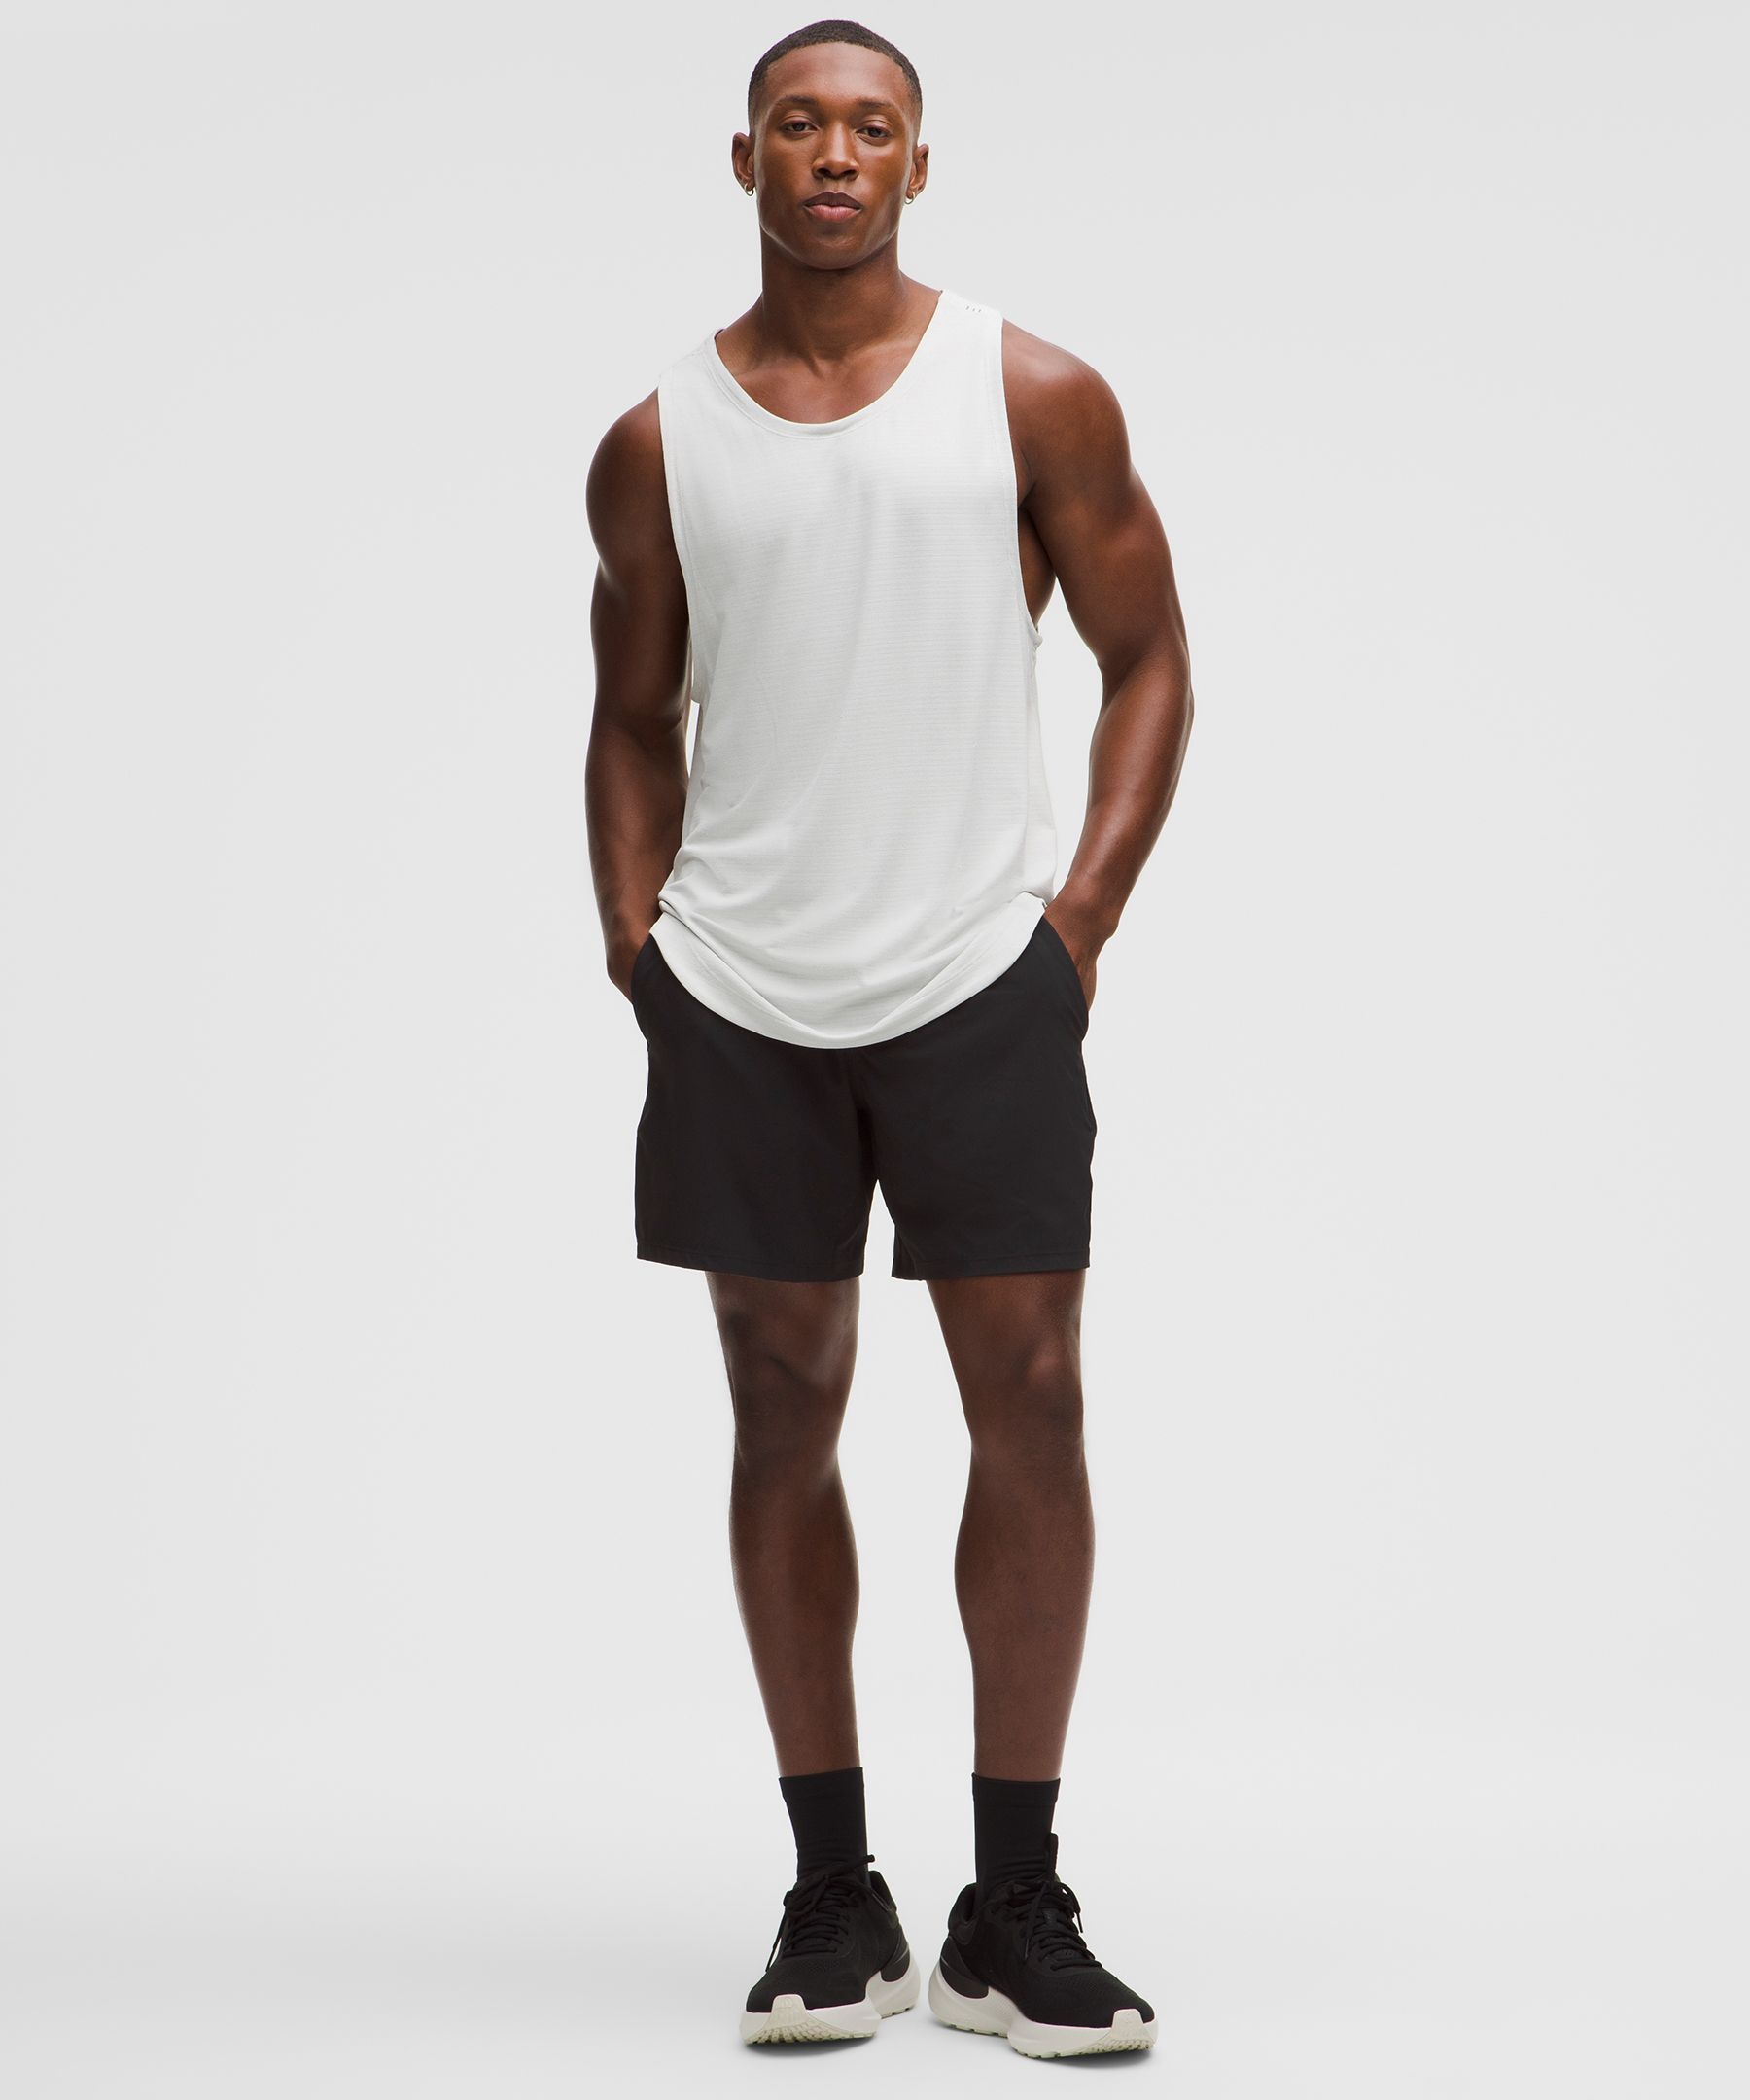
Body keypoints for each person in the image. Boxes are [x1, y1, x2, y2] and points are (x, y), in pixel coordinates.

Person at [584, 17, 1194, 2060]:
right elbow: (629, 708)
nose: (833, 155)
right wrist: (635, 942)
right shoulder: (658, 440)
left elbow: (1150, 658)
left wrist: (1077, 924)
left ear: (919, 166)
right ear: (744, 158)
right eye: (798, 125)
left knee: (1034, 1400)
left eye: (870, 129)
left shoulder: (1032, 391)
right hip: (741, 993)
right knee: (783, 1412)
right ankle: (834, 1897)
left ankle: (1012, 1907)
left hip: (973, 980)